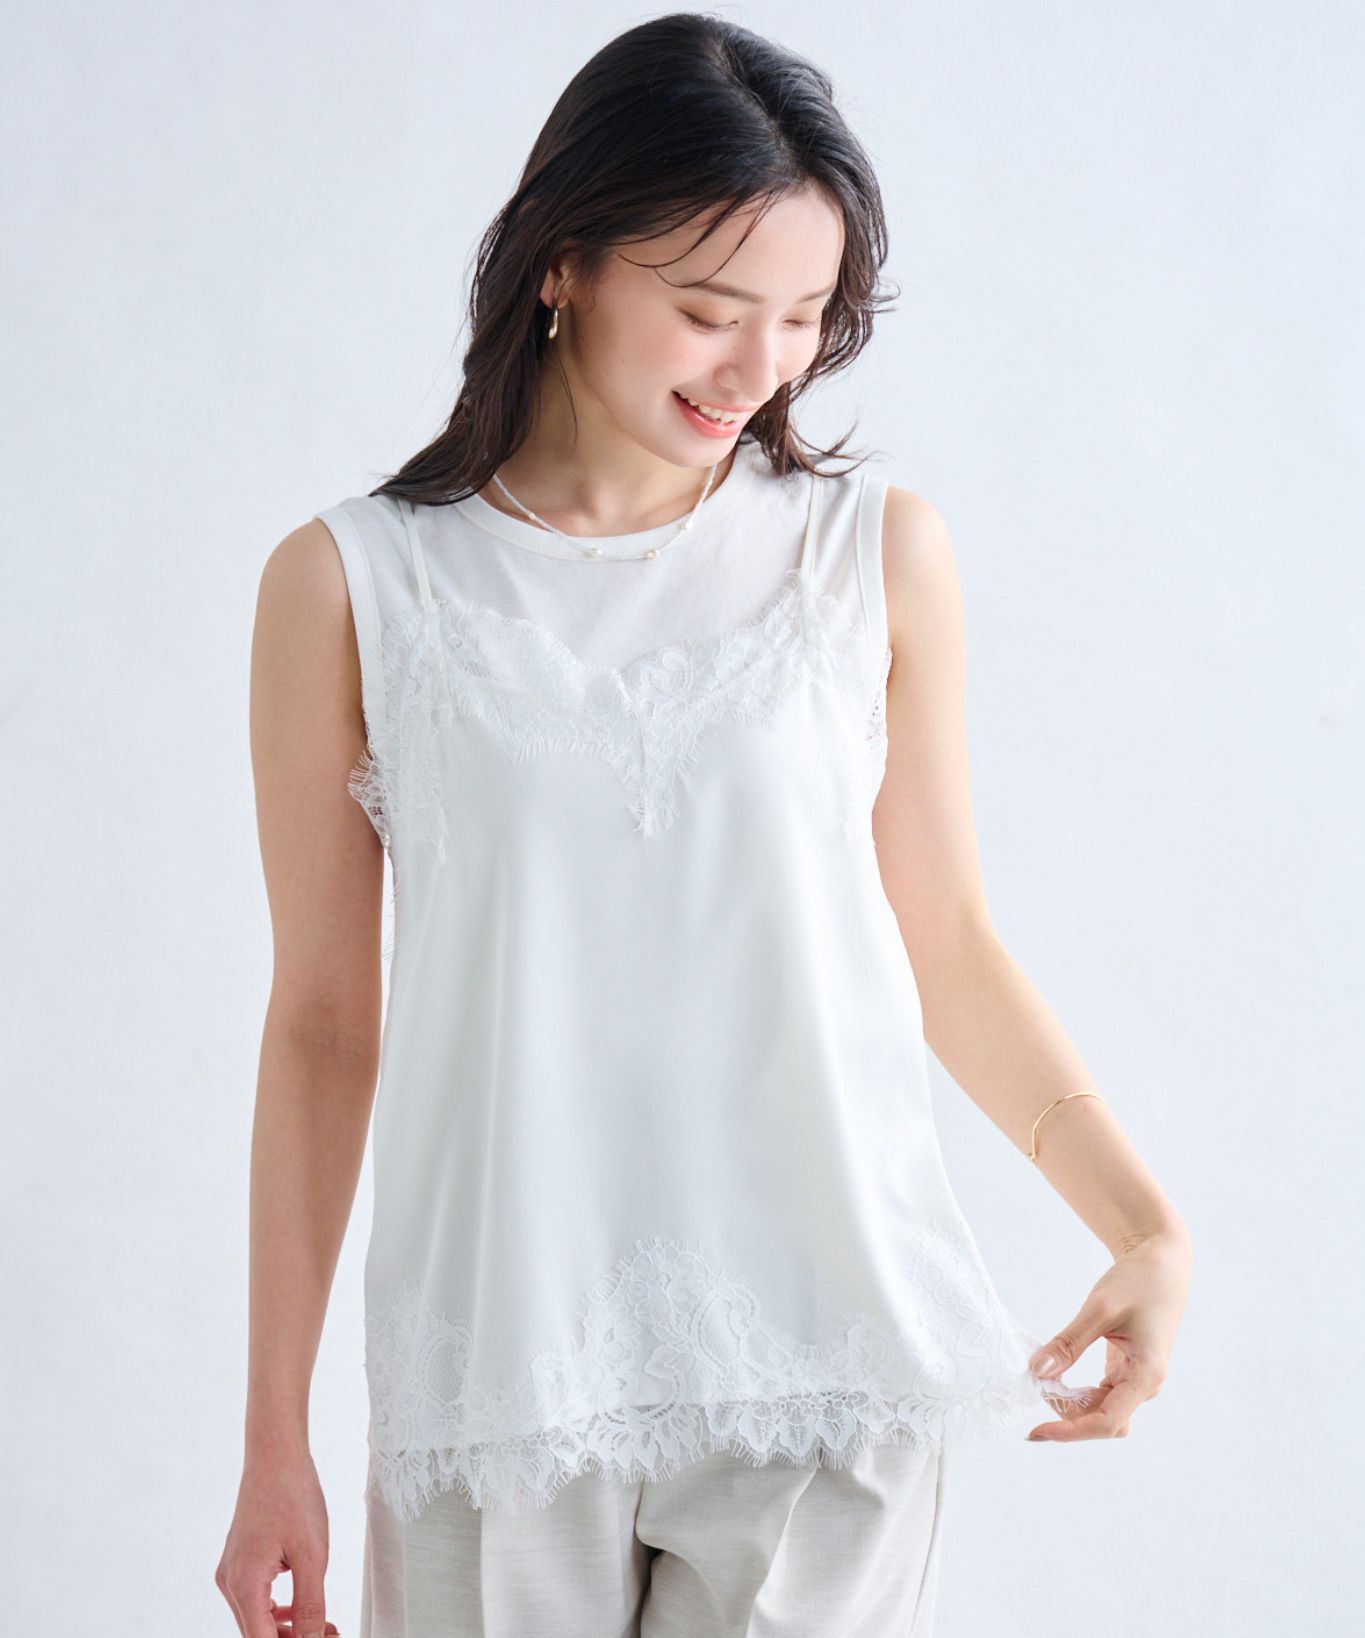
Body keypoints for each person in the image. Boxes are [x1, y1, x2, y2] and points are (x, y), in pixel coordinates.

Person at [215, 12, 1192, 1637]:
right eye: (708, 310)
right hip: (496, 1375)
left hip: (826, 1369)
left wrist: (1144, 1224)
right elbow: (322, 1021)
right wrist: (274, 1442)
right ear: (562, 261)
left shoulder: (869, 556)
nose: (759, 370)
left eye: (804, 319)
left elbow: (944, 942)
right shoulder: (352, 585)